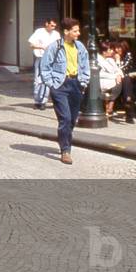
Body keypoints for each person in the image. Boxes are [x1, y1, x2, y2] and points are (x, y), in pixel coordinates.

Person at [39, 17, 90, 165]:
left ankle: (64, 138)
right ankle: (65, 150)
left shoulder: (80, 47)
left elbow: (85, 65)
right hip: (60, 85)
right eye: (75, 31)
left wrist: (84, 82)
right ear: (66, 32)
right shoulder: (55, 47)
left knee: (72, 119)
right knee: (65, 118)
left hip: (76, 84)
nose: (78, 33)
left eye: (78, 30)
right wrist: (52, 84)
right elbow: (45, 67)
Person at [27, 18, 60, 109]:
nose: (53, 28)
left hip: (51, 59)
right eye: (51, 25)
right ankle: (37, 100)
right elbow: (31, 44)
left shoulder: (56, 34)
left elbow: (59, 46)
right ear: (46, 24)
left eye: (54, 26)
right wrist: (41, 47)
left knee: (48, 80)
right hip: (41, 58)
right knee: (38, 80)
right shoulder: (39, 32)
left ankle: (43, 101)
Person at [97, 41, 122, 117]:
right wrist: (115, 76)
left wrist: (117, 61)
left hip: (110, 81)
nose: (112, 51)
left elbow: (118, 70)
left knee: (122, 81)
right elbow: (98, 74)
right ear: (104, 52)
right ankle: (109, 107)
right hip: (101, 81)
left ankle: (110, 107)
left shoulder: (110, 60)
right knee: (119, 83)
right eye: (110, 50)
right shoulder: (98, 60)